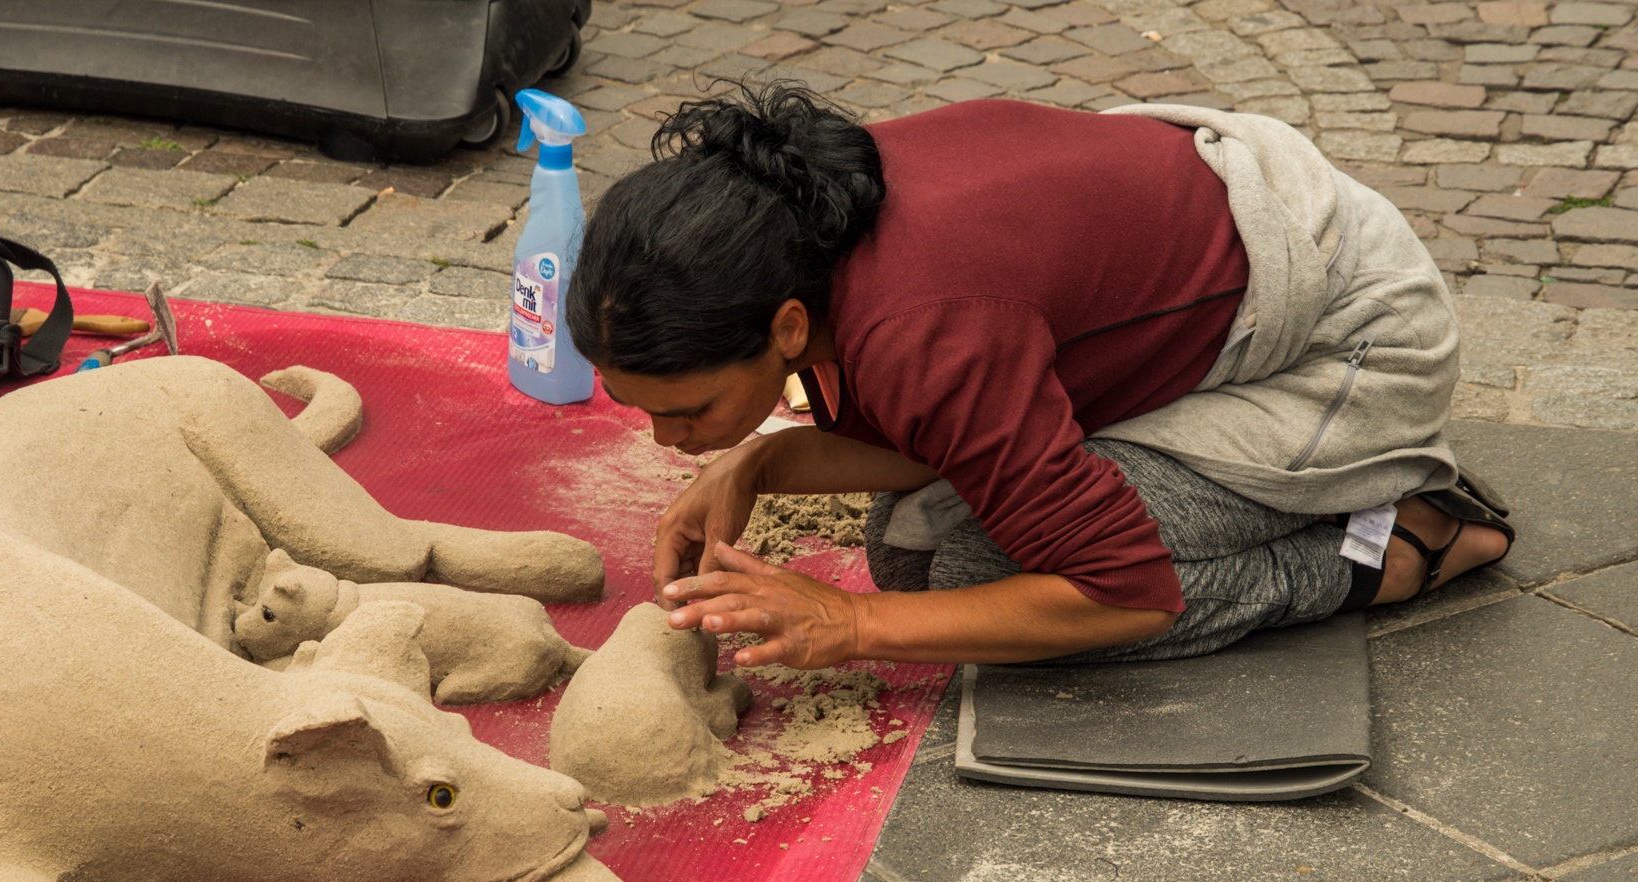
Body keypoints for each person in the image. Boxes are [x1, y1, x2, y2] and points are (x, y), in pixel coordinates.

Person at [564, 83, 1515, 671]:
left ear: (787, 326)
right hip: (1236, 255)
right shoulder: (800, 210)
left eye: (687, 413)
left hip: (1351, 343)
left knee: (956, 580)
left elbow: (1124, 593)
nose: (666, 440)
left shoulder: (921, 330)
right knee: (917, 551)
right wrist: (754, 467)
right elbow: (928, 437)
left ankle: (1386, 543)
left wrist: (851, 624)